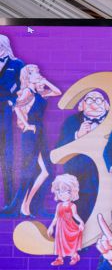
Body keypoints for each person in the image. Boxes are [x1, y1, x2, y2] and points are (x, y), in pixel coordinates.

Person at [3, 64, 61, 218]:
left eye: (38, 72)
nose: (38, 74)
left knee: (46, 171)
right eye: (35, 73)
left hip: (40, 131)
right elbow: (17, 108)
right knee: (29, 169)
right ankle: (21, 206)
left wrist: (45, 81)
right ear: (28, 77)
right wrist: (27, 124)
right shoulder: (27, 92)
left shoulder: (39, 93)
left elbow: (57, 92)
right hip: (31, 133)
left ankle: (25, 205)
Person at [56, 90, 109, 222]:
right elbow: (59, 148)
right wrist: (77, 136)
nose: (94, 104)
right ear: (82, 105)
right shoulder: (71, 121)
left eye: (98, 100)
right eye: (89, 100)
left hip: (106, 177)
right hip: (81, 176)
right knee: (81, 215)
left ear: (106, 105)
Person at [0, 34, 24, 210]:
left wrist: (12, 101)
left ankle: (9, 202)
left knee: (6, 155)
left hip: (6, 112)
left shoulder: (17, 64)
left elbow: (24, 86)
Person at [47, 174, 84, 266]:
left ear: (72, 192)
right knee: (60, 241)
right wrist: (51, 227)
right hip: (60, 227)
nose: (62, 194)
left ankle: (74, 255)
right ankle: (60, 258)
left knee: (70, 241)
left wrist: (81, 222)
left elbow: (75, 215)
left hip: (69, 226)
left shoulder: (72, 205)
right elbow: (56, 217)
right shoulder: (59, 205)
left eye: (65, 191)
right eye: (60, 192)